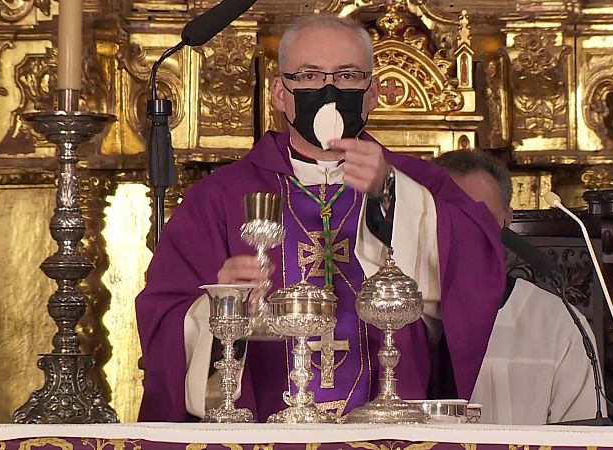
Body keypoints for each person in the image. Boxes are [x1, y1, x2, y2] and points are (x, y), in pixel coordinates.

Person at [135, 14, 506, 422]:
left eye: (348, 76)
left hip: (389, 430)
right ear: (280, 93)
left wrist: (393, 195)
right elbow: (162, 321)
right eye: (309, 76)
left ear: (372, 93)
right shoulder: (218, 198)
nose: (329, 90)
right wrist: (222, 307)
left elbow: (479, 268)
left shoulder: (420, 184)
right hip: (264, 432)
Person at [433, 150, 602, 425]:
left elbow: (581, 437)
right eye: (449, 215)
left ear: (506, 219)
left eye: (480, 216)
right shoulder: (389, 314)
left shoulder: (558, 324)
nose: (464, 231)